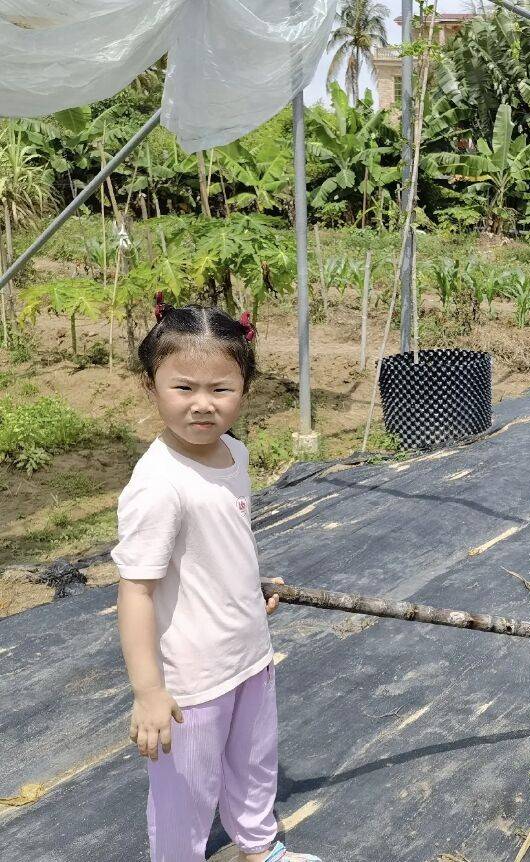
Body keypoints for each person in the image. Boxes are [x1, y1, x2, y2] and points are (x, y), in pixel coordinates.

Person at [113, 296, 321, 862]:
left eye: (220, 389)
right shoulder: (159, 485)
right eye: (184, 388)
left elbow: (221, 543)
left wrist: (247, 587)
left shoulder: (233, 453)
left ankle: (258, 848)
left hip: (249, 653)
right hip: (190, 680)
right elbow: (135, 591)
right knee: (184, 794)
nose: (203, 405)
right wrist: (149, 692)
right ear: (150, 387)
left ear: (244, 389)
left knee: (254, 763)